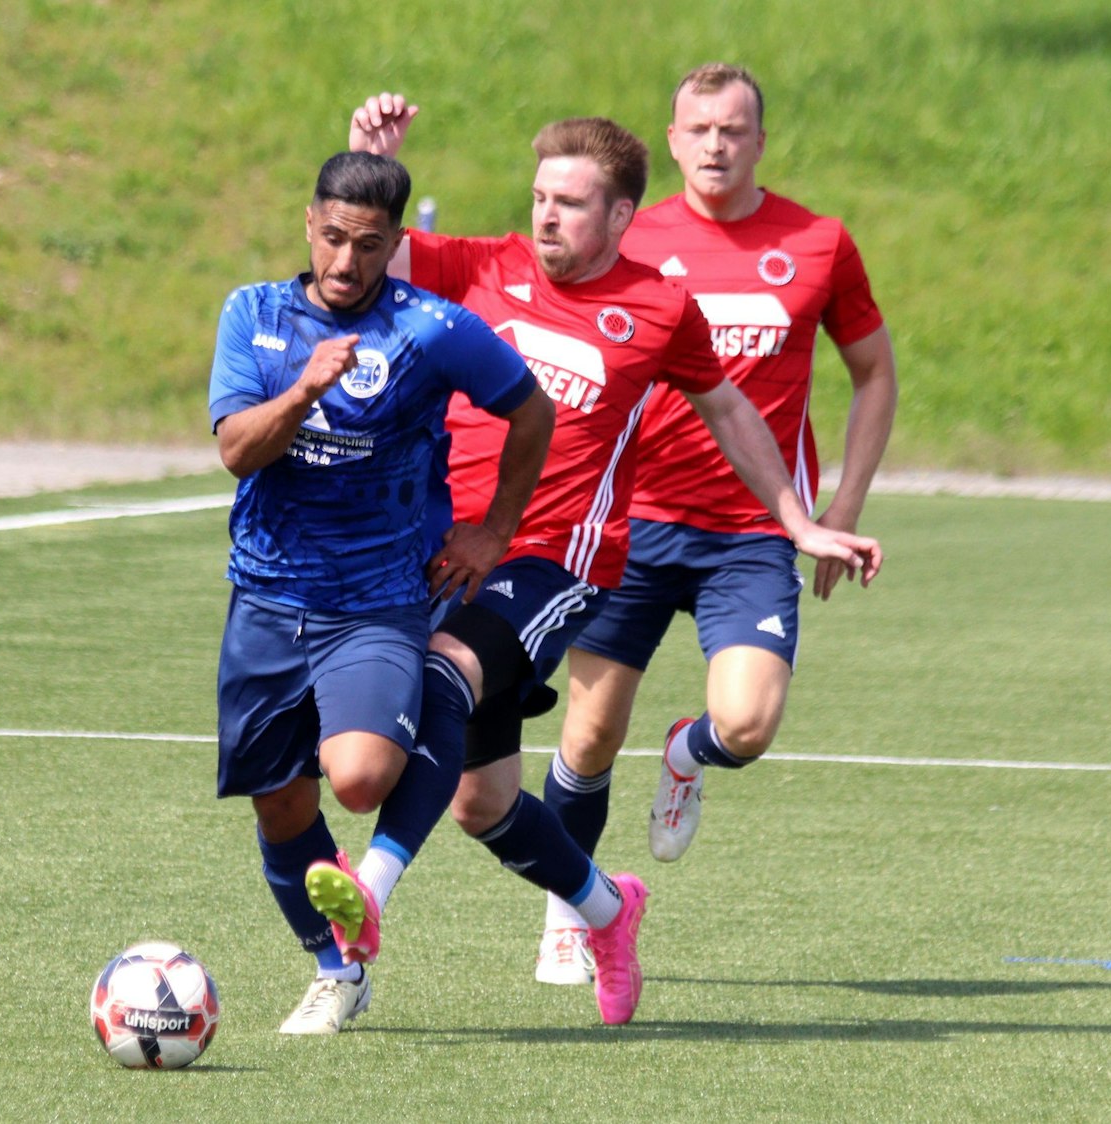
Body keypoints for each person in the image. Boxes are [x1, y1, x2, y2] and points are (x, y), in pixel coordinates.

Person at [339, 95, 883, 1023]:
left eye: (573, 202)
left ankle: (368, 901)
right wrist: (367, 160)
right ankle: (604, 906)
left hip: (557, 563)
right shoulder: (484, 267)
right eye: (542, 196)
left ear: (620, 216)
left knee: (445, 674)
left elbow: (731, 414)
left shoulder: (657, 308)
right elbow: (359, 255)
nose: (548, 213)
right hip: (438, 550)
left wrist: (798, 518)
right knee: (481, 803)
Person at [530, 63, 901, 986]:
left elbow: (874, 375)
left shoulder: (818, 243)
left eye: (732, 130)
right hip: (631, 527)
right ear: (671, 138)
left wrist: (839, 508)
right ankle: (570, 909)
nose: (714, 145)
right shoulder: (630, 236)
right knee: (584, 740)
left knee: (746, 724)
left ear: (759, 141)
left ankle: (685, 755)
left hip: (750, 533)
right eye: (697, 129)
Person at [209, 150, 554, 1035]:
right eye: (332, 238)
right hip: (265, 595)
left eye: (367, 245)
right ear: (309, 225)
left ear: (396, 242)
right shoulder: (252, 315)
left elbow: (531, 410)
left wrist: (493, 530)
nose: (345, 262)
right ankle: (337, 968)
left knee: (357, 779)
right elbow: (239, 451)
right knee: (281, 805)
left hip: (375, 599)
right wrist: (304, 389)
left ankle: (368, 892)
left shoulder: (430, 329)